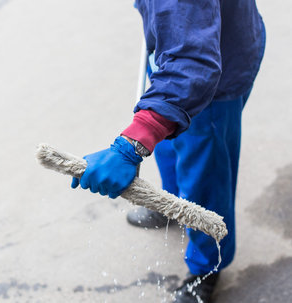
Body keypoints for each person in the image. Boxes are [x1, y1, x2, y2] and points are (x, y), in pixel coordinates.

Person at [70, 0, 265, 302]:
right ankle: (172, 204)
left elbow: (192, 64)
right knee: (170, 143)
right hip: (184, 55)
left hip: (211, 78)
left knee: (204, 177)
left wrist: (130, 146)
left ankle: (207, 268)